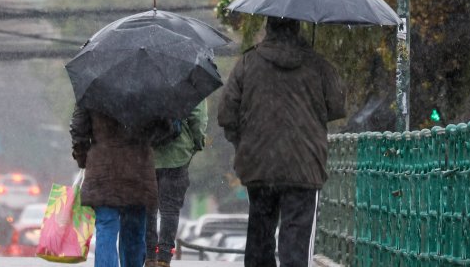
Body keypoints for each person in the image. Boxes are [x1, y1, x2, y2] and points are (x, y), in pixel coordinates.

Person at [217, 17, 346, 267]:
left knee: (260, 234)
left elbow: (226, 114)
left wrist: (243, 143)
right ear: (298, 29)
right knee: (296, 240)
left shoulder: (247, 62)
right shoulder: (317, 65)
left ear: (268, 28)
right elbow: (337, 106)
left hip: (259, 164)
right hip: (305, 165)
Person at [71, 105, 157, 267]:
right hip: (137, 171)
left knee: (106, 227)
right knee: (134, 231)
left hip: (104, 171)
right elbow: (165, 129)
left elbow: (78, 130)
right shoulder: (148, 91)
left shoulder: (93, 89)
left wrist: (83, 159)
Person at [144, 102, 207, 267]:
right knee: (170, 209)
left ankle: (149, 254)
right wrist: (197, 143)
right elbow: (197, 119)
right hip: (178, 155)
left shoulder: (143, 79)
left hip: (148, 155)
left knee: (149, 208)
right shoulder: (191, 81)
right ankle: (164, 257)